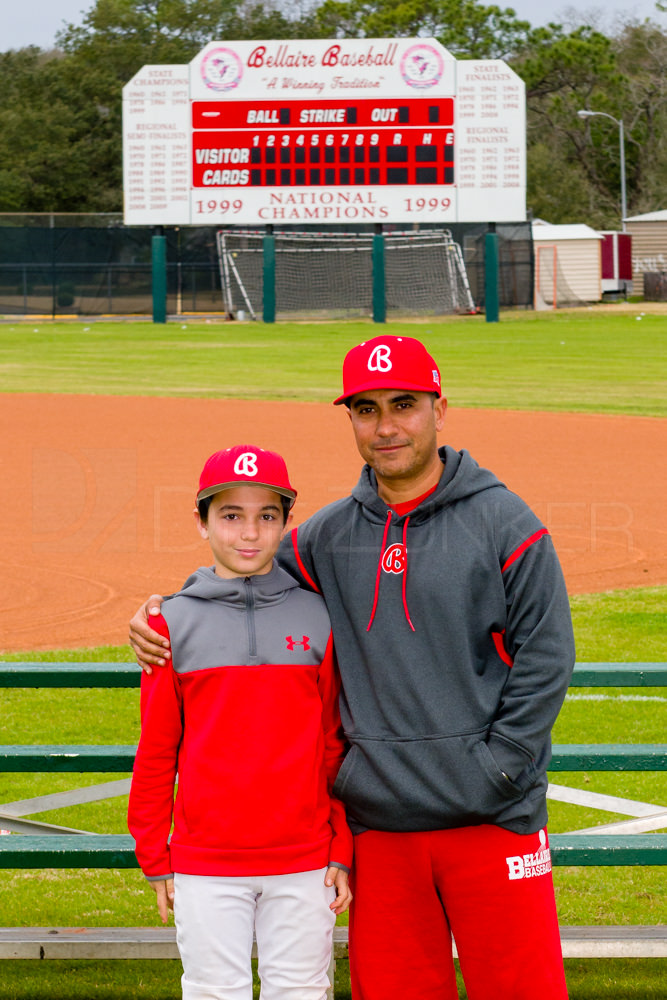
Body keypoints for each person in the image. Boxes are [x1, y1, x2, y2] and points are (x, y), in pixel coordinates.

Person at [130, 337, 576, 1000]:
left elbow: (546, 654)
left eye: (403, 404)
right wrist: (161, 611)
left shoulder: (505, 523)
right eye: (365, 409)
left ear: (439, 408)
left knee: (519, 989)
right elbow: (242, 577)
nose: (386, 425)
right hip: (381, 825)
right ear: (350, 420)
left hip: (492, 816)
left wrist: (500, 765)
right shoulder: (324, 537)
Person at [128, 444, 352, 1000]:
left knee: (301, 989)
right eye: (230, 516)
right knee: (212, 991)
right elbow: (158, 750)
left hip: (304, 859)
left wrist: (341, 844)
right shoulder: (170, 622)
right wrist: (156, 855)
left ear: (286, 523)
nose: (249, 533)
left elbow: (334, 745)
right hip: (206, 860)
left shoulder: (317, 615)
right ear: (202, 522)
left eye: (266, 516)